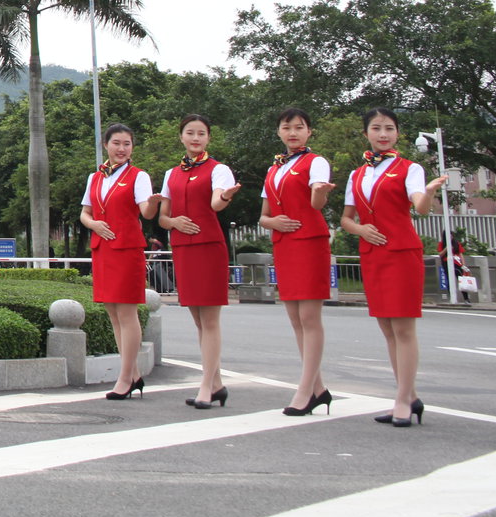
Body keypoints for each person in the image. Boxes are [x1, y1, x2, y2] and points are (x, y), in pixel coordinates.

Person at [341, 108, 446, 427]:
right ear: (366, 134)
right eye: (376, 128)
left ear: (397, 133)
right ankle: (409, 396)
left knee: (403, 328)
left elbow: (420, 206)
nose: (383, 134)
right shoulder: (357, 174)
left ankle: (402, 399)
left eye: (389, 128)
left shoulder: (409, 168)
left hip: (401, 252)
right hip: (372, 253)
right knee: (386, 328)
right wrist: (360, 230)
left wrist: (428, 193)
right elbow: (346, 218)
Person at [151, 114, 241, 408]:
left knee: (210, 320)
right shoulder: (171, 173)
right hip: (183, 247)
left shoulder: (219, 170)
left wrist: (225, 197)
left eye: (201, 133)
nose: (195, 138)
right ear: (182, 137)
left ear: (208, 138)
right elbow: (162, 218)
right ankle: (216, 385)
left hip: (208, 247)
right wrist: (174, 221)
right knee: (198, 320)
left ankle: (206, 386)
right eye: (190, 132)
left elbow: (216, 203)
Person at [260, 107, 334, 416]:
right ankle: (318, 389)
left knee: (309, 318)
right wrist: (274, 223)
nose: (293, 132)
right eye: (287, 127)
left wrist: (320, 193)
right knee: (294, 318)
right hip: (285, 244)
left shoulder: (315, 162)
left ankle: (304, 391)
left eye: (299, 127)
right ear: (279, 132)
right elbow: (263, 217)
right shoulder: (274, 170)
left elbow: (317, 201)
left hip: (309, 243)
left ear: (309, 132)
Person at [79, 123, 158, 400]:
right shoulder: (96, 178)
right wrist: (95, 225)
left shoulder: (139, 177)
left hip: (126, 247)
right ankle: (133, 373)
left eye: (127, 144)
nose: (122, 149)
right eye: (117, 143)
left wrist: (154, 203)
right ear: (106, 145)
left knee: (127, 313)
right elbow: (85, 213)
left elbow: (146, 212)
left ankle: (125, 378)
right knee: (113, 313)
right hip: (103, 247)